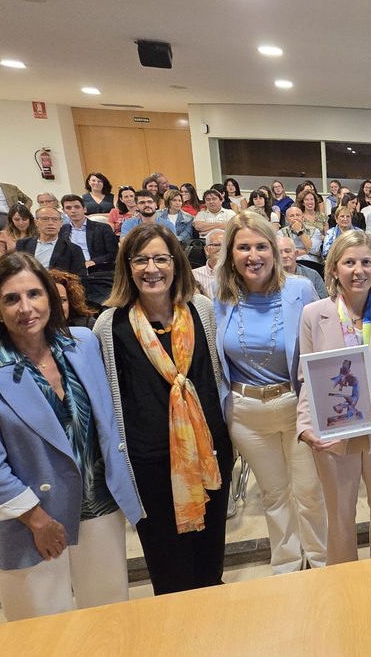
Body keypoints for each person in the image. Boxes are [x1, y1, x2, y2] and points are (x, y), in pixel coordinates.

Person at [0, 253, 142, 621]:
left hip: (98, 504)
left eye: (35, 294)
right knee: (44, 633)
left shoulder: (82, 343)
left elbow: (105, 425)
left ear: (51, 297)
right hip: (29, 520)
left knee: (109, 621)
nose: (26, 308)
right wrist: (38, 521)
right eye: (11, 299)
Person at [92, 224, 232, 595]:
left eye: (160, 258)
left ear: (176, 264)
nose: (151, 268)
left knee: (210, 561)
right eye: (140, 260)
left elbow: (216, 375)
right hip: (149, 462)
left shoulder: (201, 310)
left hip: (208, 454)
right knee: (169, 567)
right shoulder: (111, 325)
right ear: (128, 267)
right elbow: (106, 397)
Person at [295, 232, 371, 564]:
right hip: (334, 431)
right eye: (349, 262)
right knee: (339, 515)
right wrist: (306, 426)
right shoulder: (313, 314)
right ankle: (343, 580)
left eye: (366, 262)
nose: (358, 270)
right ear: (334, 269)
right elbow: (308, 377)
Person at [213, 212, 326, 572]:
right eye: (243, 247)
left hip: (297, 406)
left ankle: (324, 563)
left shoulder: (300, 289)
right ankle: (288, 566)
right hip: (246, 412)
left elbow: (319, 348)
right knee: (274, 495)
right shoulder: (218, 297)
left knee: (309, 492)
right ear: (231, 253)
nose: (253, 255)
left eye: (261, 246)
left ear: (275, 252)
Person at [60, 194, 119, 305]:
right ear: (64, 211)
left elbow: (113, 253)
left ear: (84, 209)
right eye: (68, 208)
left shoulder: (102, 228)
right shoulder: (62, 231)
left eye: (77, 207)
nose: (73, 211)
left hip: (97, 270)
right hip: (72, 272)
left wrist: (93, 262)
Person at [16, 206, 86, 277]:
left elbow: (80, 278)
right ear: (36, 222)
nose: (50, 223)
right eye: (45, 219)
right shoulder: (23, 244)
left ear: (61, 223)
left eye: (55, 219)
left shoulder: (73, 249)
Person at [192, 229, 224, 296]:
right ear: (206, 250)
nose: (221, 249)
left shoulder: (237, 274)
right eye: (217, 245)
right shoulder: (193, 275)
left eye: (225, 245)